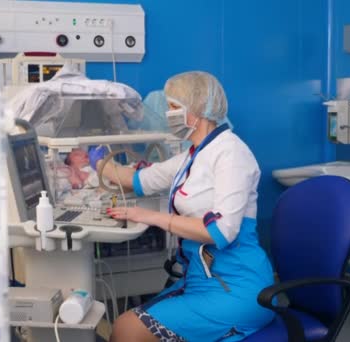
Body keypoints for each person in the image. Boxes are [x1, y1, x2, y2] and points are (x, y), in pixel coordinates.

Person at [89, 71, 275, 342]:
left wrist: (151, 216)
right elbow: (140, 180)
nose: (168, 114)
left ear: (197, 110)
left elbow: (220, 232)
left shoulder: (231, 154)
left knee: (126, 329)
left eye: (174, 107)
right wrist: (96, 162)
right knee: (127, 325)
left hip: (237, 288)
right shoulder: (193, 155)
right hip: (203, 280)